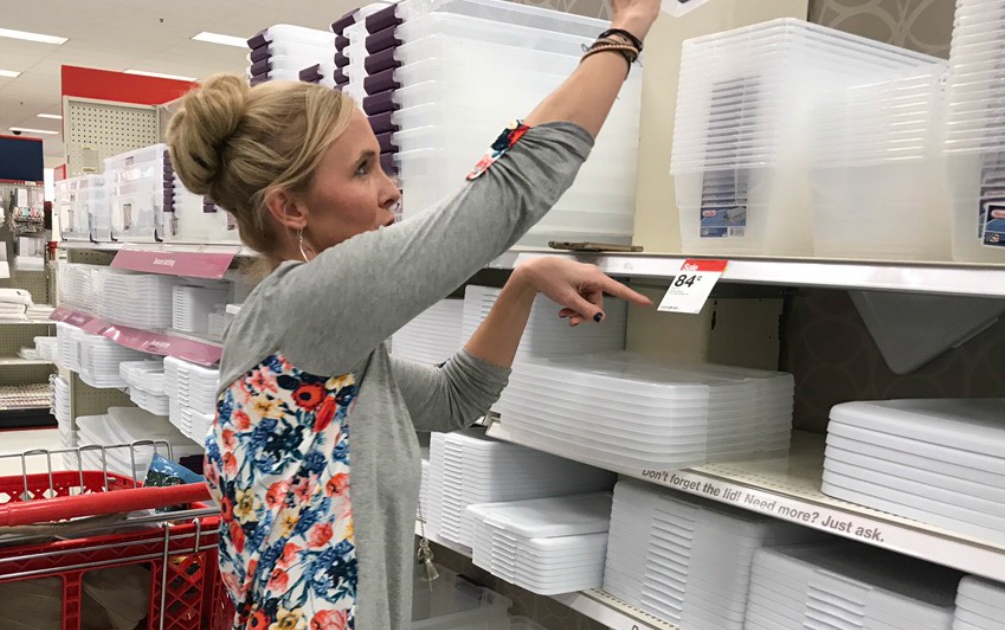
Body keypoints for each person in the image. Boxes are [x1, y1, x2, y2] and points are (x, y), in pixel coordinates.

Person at [166, 0, 661, 627]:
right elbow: (511, 189)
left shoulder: (313, 352)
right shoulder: (308, 305)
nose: (391, 189)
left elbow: (454, 399)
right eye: (362, 169)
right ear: (290, 208)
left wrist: (522, 283)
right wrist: (626, 31)